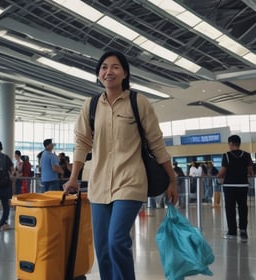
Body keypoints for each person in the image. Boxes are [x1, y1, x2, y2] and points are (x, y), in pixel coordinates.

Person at [63, 50, 178, 280]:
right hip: (98, 185)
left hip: (131, 181)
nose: (109, 71)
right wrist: (74, 177)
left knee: (116, 240)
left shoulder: (138, 102)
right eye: (104, 67)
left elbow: (156, 142)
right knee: (103, 248)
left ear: (125, 73)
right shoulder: (91, 105)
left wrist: (172, 179)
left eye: (115, 67)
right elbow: (82, 142)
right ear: (98, 75)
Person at [217, 135, 253, 243]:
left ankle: (232, 232)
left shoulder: (227, 155)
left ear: (231, 143)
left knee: (230, 208)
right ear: (239, 143)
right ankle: (243, 232)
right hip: (243, 185)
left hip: (229, 186)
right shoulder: (246, 155)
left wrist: (218, 176)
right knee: (243, 207)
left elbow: (223, 171)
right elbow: (250, 171)